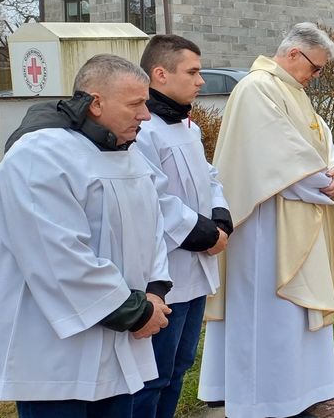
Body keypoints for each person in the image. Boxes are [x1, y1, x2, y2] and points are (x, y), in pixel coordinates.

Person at [0, 54, 172, 418]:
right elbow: (56, 254)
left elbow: (153, 229)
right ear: (96, 102)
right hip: (57, 355)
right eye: (135, 104)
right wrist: (133, 311)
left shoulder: (127, 155)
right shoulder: (40, 155)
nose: (146, 116)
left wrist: (156, 290)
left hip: (122, 343)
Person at [199, 23, 334, 417]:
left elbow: (322, 143)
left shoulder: (293, 91)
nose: (316, 77)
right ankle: (263, 399)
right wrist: (325, 183)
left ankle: (297, 393)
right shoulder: (257, 88)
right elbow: (278, 160)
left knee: (294, 317)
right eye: (315, 68)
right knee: (270, 313)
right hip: (267, 224)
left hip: (301, 216)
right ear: (294, 54)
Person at [132, 35, 231, 418]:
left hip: (197, 269)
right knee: (154, 373)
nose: (201, 81)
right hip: (167, 269)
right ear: (160, 73)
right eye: (192, 72)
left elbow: (209, 175)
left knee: (179, 366)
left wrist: (220, 216)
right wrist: (204, 233)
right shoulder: (145, 129)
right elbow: (152, 194)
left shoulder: (187, 127)